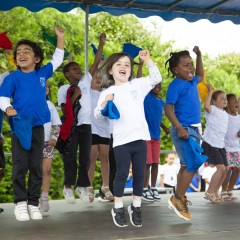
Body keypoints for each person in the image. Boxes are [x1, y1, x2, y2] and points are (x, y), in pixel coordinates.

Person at [0, 26, 65, 221]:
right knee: (20, 165)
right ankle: (20, 203)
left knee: (36, 165)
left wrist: (60, 38)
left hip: (38, 126)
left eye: (26, 51)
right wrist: (7, 108)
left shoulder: (42, 74)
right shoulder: (12, 78)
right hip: (20, 126)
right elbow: (2, 98)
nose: (21, 54)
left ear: (36, 59)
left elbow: (58, 59)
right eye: (18, 52)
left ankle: (33, 203)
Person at [94, 50, 162, 227]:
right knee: (122, 174)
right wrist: (104, 103)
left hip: (140, 138)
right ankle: (118, 207)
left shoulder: (137, 85)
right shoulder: (108, 92)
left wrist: (147, 60)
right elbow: (98, 115)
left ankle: (136, 207)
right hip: (121, 141)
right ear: (110, 70)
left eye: (127, 64)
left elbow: (156, 78)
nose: (123, 67)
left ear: (131, 70)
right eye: (119, 64)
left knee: (140, 175)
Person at [58, 33, 106, 204]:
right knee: (70, 157)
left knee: (86, 157)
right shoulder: (64, 89)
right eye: (74, 68)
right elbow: (65, 110)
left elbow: (96, 61)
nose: (78, 69)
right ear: (67, 74)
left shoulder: (86, 80)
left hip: (86, 125)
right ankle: (68, 186)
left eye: (79, 67)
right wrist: (75, 95)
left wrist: (101, 43)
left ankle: (82, 185)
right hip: (72, 126)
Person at [164, 46, 204, 221]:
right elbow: (168, 108)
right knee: (192, 164)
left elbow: (201, 75)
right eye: (186, 65)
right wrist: (180, 128)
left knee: (185, 165)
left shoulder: (192, 81)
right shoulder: (176, 85)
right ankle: (178, 198)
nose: (191, 68)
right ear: (176, 70)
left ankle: (179, 196)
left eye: (191, 64)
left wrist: (199, 56)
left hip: (193, 129)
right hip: (184, 129)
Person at [88, 69, 113, 201]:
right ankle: (89, 186)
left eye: (100, 77)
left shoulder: (106, 93)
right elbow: (91, 70)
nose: (98, 79)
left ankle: (106, 186)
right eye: (95, 77)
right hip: (91, 129)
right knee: (91, 158)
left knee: (105, 157)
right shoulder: (87, 92)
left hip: (104, 129)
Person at [142, 82, 169, 202]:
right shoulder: (146, 97)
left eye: (160, 85)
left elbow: (157, 118)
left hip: (156, 137)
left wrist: (164, 127)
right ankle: (144, 188)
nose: (158, 87)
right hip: (146, 136)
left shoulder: (161, 102)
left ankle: (153, 188)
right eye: (155, 85)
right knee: (147, 163)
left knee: (155, 163)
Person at [201, 84, 228, 203]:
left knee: (226, 169)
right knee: (221, 168)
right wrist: (211, 91)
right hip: (211, 143)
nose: (224, 100)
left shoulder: (225, 113)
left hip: (220, 144)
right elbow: (206, 105)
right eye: (221, 98)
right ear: (214, 101)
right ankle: (209, 192)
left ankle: (215, 192)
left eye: (225, 98)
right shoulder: (212, 110)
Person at [39, 82, 62, 212]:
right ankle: (33, 197)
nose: (44, 90)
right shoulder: (31, 104)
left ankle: (44, 196)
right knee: (34, 171)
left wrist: (54, 137)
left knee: (46, 170)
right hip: (33, 143)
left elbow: (57, 124)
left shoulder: (50, 106)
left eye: (46, 88)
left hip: (47, 142)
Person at [221, 93, 240, 200]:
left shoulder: (239, 117)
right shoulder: (224, 116)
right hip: (226, 147)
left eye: (237, 101)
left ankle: (230, 190)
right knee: (227, 170)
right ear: (227, 104)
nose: (236, 103)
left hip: (236, 147)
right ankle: (223, 190)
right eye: (234, 101)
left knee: (237, 169)